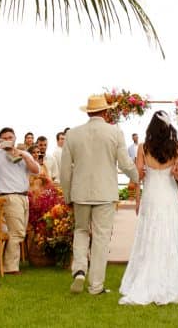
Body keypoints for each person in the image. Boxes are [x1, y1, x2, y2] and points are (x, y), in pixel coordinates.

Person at [61, 94, 139, 295]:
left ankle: (79, 269)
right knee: (101, 238)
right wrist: (138, 176)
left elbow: (65, 171)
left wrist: (67, 195)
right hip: (105, 192)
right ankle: (96, 286)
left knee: (80, 231)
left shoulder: (73, 134)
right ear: (105, 112)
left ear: (88, 112)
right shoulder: (114, 132)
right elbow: (124, 162)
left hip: (80, 192)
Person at [119, 111, 178, 305]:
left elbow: (138, 176)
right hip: (168, 194)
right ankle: (169, 276)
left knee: (149, 234)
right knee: (169, 233)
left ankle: (146, 275)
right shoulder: (176, 148)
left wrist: (138, 200)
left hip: (151, 194)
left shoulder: (142, 147)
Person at [0, 127, 41, 275]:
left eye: (10, 137)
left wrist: (25, 156)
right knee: (17, 231)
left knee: (19, 232)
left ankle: (9, 263)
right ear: (1, 140)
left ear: (15, 138)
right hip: (8, 195)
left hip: (23, 196)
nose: (8, 140)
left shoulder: (24, 153)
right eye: (5, 138)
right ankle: (10, 267)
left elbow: (36, 171)